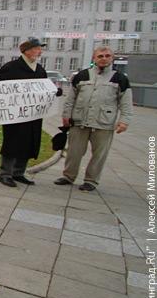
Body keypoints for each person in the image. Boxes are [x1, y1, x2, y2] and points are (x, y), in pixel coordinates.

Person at [54, 46, 132, 191]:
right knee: (73, 152)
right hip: (79, 121)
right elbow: (71, 98)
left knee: (99, 155)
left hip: (103, 123)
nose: (104, 59)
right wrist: (66, 115)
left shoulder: (120, 78)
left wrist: (124, 121)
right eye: (100, 56)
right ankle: (68, 176)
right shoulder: (82, 76)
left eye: (107, 56)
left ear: (112, 58)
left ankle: (91, 180)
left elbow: (126, 102)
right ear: (94, 58)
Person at [0, 38, 60, 187]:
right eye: (37, 48)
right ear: (27, 50)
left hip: (33, 115)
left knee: (28, 142)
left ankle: (19, 172)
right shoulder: (12, 67)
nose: (40, 51)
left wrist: (55, 92)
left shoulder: (40, 70)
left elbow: (44, 89)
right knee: (12, 143)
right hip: (14, 115)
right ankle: (5, 173)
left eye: (40, 49)